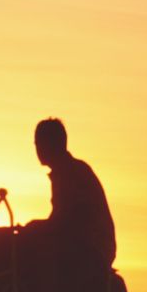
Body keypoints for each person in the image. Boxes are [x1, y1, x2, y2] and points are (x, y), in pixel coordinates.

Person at [35, 117, 117, 275]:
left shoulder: (74, 172)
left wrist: (37, 228)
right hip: (81, 245)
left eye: (40, 143)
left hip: (92, 248)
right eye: (36, 143)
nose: (37, 148)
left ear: (54, 143)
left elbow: (69, 220)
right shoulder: (63, 172)